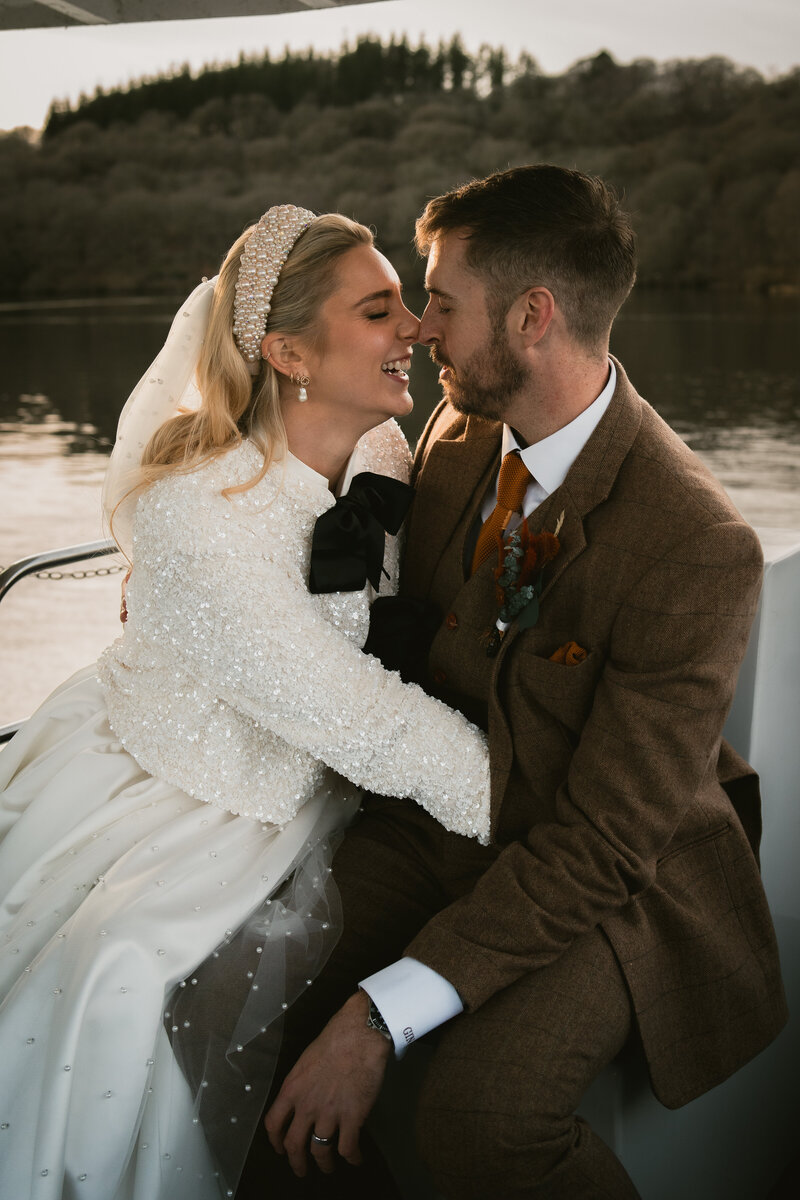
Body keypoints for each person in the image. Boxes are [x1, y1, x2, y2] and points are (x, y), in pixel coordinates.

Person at [236, 167, 787, 1199]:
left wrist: (374, 1014)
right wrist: (209, 573)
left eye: (440, 301)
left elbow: (606, 843)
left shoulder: (694, 545)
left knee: (476, 1118)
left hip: (614, 878)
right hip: (440, 821)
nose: (416, 326)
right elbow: (336, 535)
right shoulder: (454, 428)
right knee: (247, 995)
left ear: (532, 316)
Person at [0, 206, 494, 1200]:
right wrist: (535, 806)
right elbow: (367, 720)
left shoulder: (378, 457)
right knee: (127, 966)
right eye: (378, 309)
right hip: (177, 793)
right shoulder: (202, 525)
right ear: (286, 353)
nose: (416, 328)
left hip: (304, 778)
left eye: (409, 301)